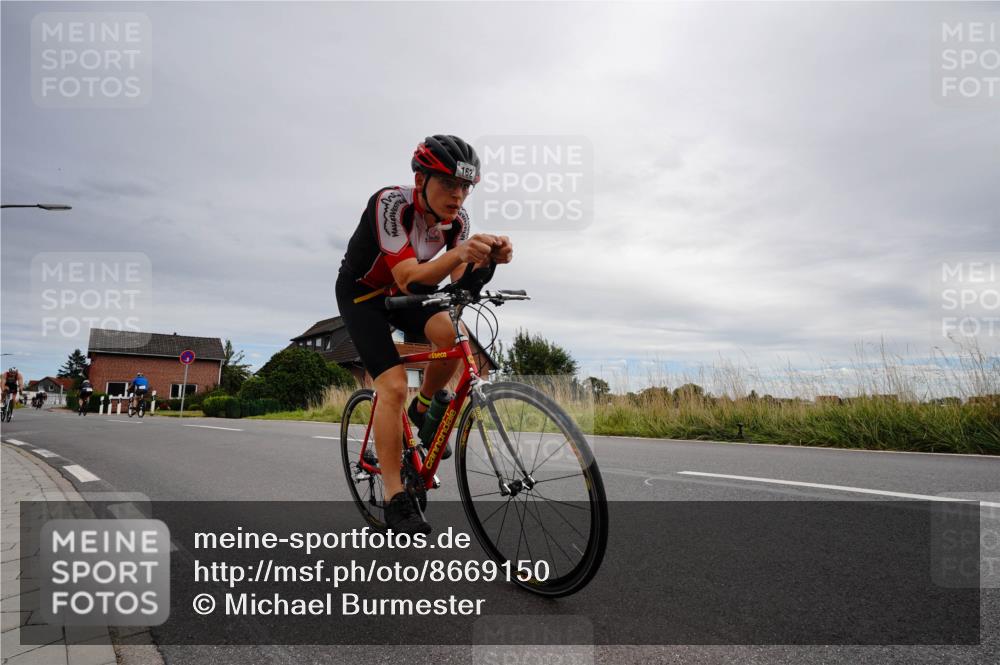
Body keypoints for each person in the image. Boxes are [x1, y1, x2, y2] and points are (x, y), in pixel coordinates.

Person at [336, 135, 513, 535]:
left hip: (407, 295)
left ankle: (425, 409)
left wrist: (487, 262)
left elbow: (458, 288)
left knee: (454, 332)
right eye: (449, 184)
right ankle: (395, 497)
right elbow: (408, 275)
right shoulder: (390, 204)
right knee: (394, 386)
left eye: (466, 186)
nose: (459, 195)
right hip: (364, 295)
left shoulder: (458, 223)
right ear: (420, 180)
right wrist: (460, 253)